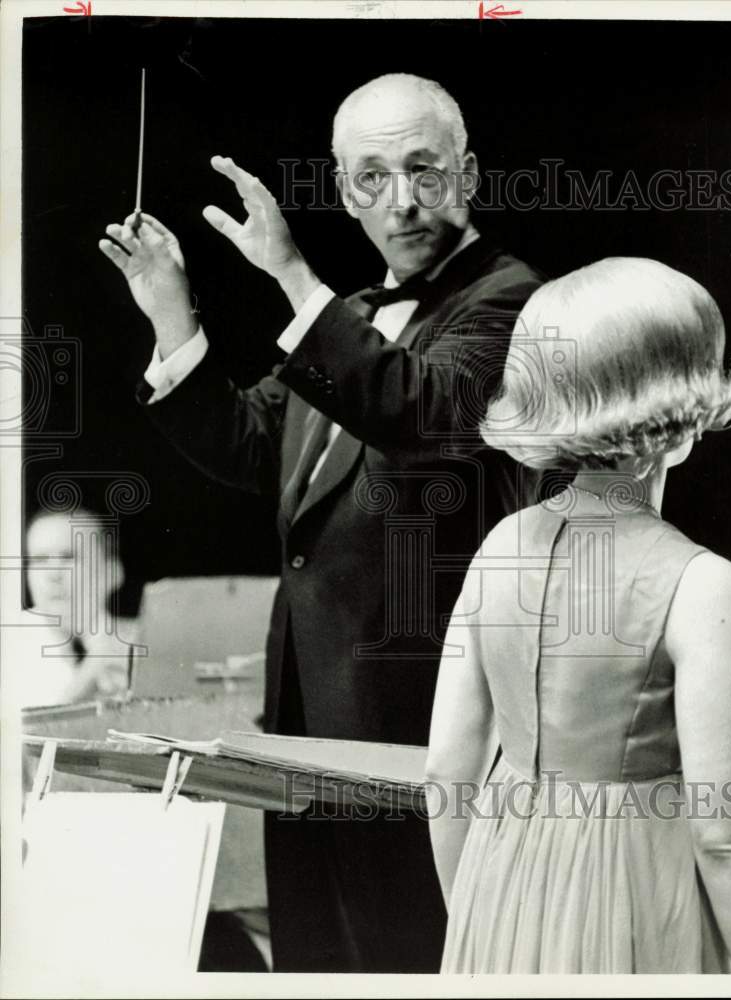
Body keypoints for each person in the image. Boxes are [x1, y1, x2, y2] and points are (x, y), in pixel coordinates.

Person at [99, 73, 545, 971]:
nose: (404, 201)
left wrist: (293, 276)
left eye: (425, 170)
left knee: (415, 957)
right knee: (316, 958)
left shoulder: (510, 299)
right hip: (308, 717)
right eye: (372, 178)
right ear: (344, 191)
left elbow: (412, 410)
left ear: (467, 174)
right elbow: (256, 444)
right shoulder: (355, 321)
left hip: (424, 727)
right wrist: (170, 310)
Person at [425, 257, 731, 973]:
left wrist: (480, 925)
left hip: (500, 890)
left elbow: (448, 775)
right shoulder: (705, 586)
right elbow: (726, 837)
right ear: (683, 416)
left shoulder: (499, 548)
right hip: (639, 900)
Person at [18, 507, 132, 708]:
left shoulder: (144, 642)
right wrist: (95, 668)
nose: (53, 574)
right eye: (39, 560)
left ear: (113, 572)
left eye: (69, 557)